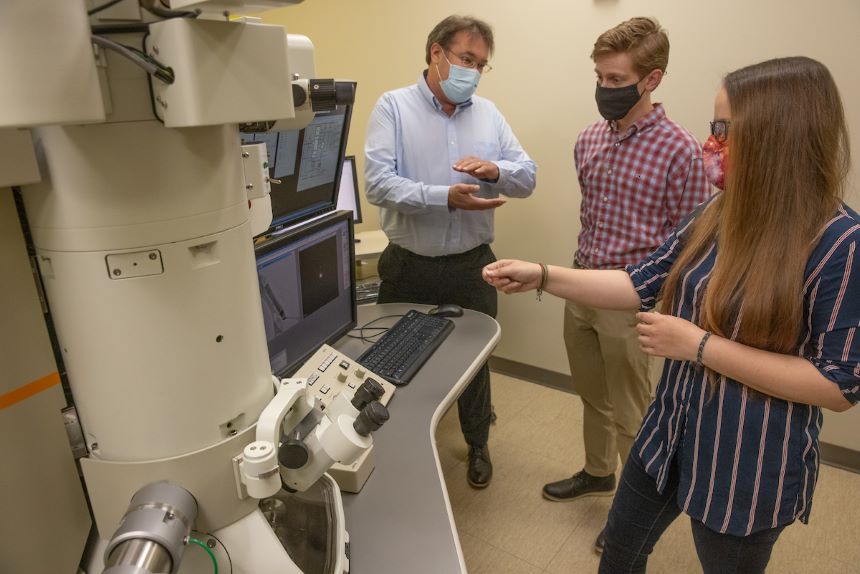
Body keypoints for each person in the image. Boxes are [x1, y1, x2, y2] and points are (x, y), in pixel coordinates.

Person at [483, 56, 858, 573]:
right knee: (619, 552)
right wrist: (543, 275)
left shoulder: (839, 242)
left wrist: (699, 346)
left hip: (744, 464)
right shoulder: (720, 213)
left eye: (725, 130)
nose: (711, 143)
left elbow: (838, 385)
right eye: (713, 128)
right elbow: (640, 281)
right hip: (668, 433)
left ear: (779, 136)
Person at [546, 16, 711, 552]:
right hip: (580, 287)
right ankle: (598, 472)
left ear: (652, 79)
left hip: (631, 301)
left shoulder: (681, 151)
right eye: (600, 77)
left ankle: (626, 514)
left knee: (632, 412)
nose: (604, 89)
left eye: (616, 80)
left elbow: (692, 243)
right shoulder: (589, 139)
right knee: (592, 394)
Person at [364, 15, 537, 488]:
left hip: (470, 265)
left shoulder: (488, 113)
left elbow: (528, 175)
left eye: (482, 65)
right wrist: (445, 196)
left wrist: (495, 169)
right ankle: (395, 449)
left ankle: (478, 443)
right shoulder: (393, 108)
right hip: (408, 266)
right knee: (393, 363)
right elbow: (378, 184)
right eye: (466, 59)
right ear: (436, 54)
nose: (474, 72)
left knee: (474, 363)